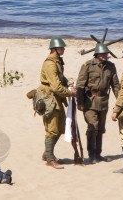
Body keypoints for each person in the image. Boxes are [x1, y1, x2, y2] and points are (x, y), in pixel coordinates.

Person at [76, 43, 120, 164]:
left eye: (106, 53)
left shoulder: (111, 67)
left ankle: (98, 154)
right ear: (97, 54)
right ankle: (91, 154)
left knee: (100, 129)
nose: (105, 55)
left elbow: (116, 86)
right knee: (92, 127)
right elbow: (80, 85)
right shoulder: (88, 65)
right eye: (103, 54)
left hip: (103, 101)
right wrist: (79, 102)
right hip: (90, 101)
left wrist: (121, 101)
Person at [39, 37, 77, 169]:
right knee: (52, 129)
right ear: (54, 49)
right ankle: (49, 159)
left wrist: (68, 83)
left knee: (59, 127)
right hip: (50, 98)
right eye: (61, 47)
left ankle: (47, 153)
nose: (64, 49)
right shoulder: (50, 63)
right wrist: (70, 93)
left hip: (56, 98)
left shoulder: (57, 61)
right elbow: (55, 87)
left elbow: (60, 77)